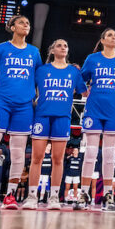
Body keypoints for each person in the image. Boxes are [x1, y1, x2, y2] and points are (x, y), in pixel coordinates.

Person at [0, 14, 40, 210]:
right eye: (22, 22)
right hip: (0, 104)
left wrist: (36, 97)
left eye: (28, 23)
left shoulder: (34, 52)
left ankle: (10, 196)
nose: (26, 25)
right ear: (12, 27)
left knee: (19, 153)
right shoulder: (1, 48)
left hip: (23, 107)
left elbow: (37, 78)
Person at [23, 39, 86, 210]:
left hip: (62, 118)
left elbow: (85, 91)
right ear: (52, 50)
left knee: (58, 160)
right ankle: (31, 196)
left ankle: (54, 197)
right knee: (37, 158)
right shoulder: (41, 70)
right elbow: (26, 86)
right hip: (42, 116)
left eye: (66, 45)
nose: (63, 47)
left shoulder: (74, 72)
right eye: (59, 45)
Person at [78, 27, 115, 212]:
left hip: (114, 111)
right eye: (110, 35)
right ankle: (84, 193)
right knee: (91, 153)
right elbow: (80, 80)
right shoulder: (92, 59)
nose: (113, 37)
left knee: (109, 155)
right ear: (102, 40)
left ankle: (108, 195)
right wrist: (85, 91)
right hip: (94, 110)